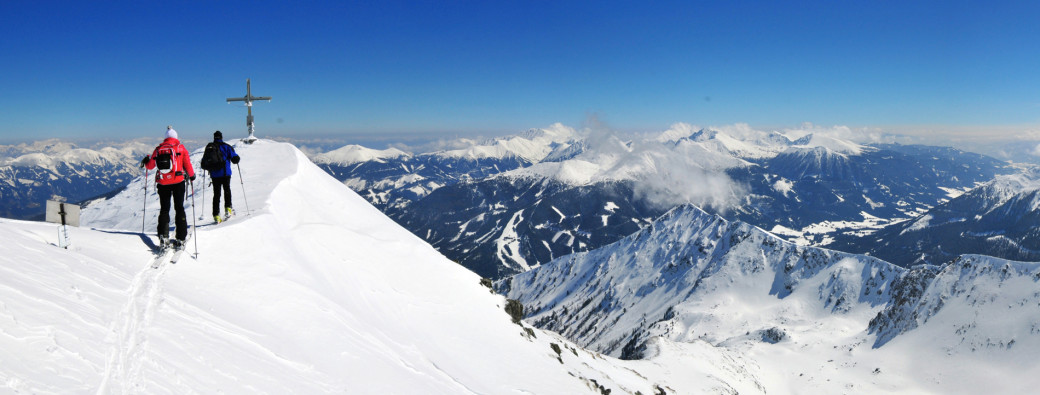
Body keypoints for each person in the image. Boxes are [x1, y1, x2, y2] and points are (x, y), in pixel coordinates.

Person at [141, 126, 196, 249]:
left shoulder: (158, 149)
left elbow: (150, 166)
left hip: (163, 183)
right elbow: (187, 164)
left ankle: (163, 236)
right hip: (178, 182)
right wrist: (192, 176)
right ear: (176, 137)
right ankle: (181, 238)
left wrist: (146, 161)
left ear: (165, 137)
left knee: (164, 209)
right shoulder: (180, 148)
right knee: (179, 208)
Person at [207, 130, 240, 223]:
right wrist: (237, 158)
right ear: (221, 137)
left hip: (214, 175)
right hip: (225, 174)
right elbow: (235, 159)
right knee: (227, 190)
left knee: (216, 194)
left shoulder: (210, 147)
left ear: (214, 138)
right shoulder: (227, 146)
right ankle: (228, 209)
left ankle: (216, 215)